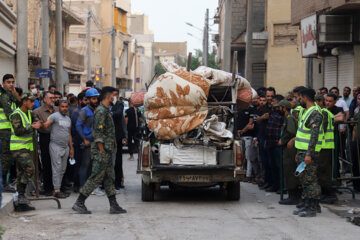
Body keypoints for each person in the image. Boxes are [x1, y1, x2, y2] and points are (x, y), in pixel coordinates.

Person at [72, 86, 127, 214]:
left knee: (109, 178)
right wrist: (101, 151)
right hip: (102, 151)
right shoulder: (101, 111)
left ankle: (113, 205)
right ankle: (79, 202)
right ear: (108, 96)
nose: (114, 97)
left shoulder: (105, 110)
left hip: (107, 150)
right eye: (113, 95)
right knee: (95, 177)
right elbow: (98, 133)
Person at [293, 88, 323, 217]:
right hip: (303, 151)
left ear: (305, 97)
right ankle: (309, 203)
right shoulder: (307, 111)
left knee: (310, 180)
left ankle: (312, 207)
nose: (298, 99)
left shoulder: (315, 113)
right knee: (305, 179)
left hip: (309, 152)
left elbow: (314, 136)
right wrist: (299, 152)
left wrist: (308, 154)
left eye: (299, 97)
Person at [10, 92, 42, 210]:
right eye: (31, 101)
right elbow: (18, 131)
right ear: (24, 102)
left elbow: (37, 120)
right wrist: (32, 127)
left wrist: (38, 123)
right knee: (30, 169)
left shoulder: (29, 113)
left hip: (26, 147)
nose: (33, 103)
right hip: (18, 148)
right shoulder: (16, 114)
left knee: (21, 172)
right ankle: (22, 195)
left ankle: (20, 201)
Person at [43, 100, 74, 198]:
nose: (64, 108)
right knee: (56, 169)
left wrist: (71, 149)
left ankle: (58, 189)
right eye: (62, 106)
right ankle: (56, 190)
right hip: (55, 146)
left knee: (62, 169)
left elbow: (69, 134)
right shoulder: (54, 116)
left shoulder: (68, 119)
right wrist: (40, 124)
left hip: (65, 147)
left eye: (66, 106)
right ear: (59, 107)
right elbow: (46, 124)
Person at [316, 94, 340, 204]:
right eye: (326, 100)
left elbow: (322, 129)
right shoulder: (326, 113)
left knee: (323, 171)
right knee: (322, 171)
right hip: (324, 145)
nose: (327, 103)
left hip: (325, 146)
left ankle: (330, 194)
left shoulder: (324, 113)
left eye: (329, 101)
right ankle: (326, 193)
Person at [33, 91, 58, 195]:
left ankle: (58, 187)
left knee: (57, 163)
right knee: (47, 162)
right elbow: (39, 125)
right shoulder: (37, 111)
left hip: (57, 138)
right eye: (50, 98)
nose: (53, 100)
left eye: (54, 98)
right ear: (44, 99)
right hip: (45, 138)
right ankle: (48, 188)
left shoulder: (57, 110)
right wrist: (44, 125)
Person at [277, 100, 301, 205]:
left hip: (290, 148)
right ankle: (293, 195)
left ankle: (293, 196)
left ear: (284, 108)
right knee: (288, 170)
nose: (278, 109)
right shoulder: (287, 118)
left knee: (290, 170)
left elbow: (291, 131)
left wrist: (284, 139)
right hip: (288, 147)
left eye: (280, 108)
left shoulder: (289, 118)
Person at [76, 88, 100, 190]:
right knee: (85, 164)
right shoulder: (84, 111)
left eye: (96, 99)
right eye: (93, 99)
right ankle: (82, 185)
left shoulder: (96, 110)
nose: (95, 101)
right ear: (88, 99)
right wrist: (84, 139)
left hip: (96, 141)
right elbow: (78, 125)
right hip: (88, 142)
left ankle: (90, 186)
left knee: (93, 165)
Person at [0, 74, 20, 193]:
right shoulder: (4, 97)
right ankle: (3, 184)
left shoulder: (9, 95)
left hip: (8, 132)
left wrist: (14, 92)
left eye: (13, 82)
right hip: (4, 132)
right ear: (3, 83)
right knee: (6, 159)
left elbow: (20, 102)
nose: (11, 84)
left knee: (7, 158)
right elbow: (11, 114)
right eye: (8, 82)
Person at [264, 95, 284, 193]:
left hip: (277, 144)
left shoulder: (282, 114)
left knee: (279, 166)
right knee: (272, 166)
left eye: (274, 101)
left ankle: (282, 186)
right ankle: (274, 185)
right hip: (270, 143)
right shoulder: (272, 113)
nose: (272, 103)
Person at [111, 89, 128, 190]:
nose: (114, 97)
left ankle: (117, 182)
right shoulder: (105, 105)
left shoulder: (119, 105)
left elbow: (118, 115)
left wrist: (125, 136)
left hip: (117, 137)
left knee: (118, 161)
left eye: (115, 95)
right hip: (108, 138)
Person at [71, 92, 87, 192]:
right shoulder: (77, 112)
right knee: (79, 164)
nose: (87, 102)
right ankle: (78, 185)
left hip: (83, 141)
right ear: (80, 101)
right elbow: (78, 128)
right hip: (78, 141)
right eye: (85, 100)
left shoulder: (84, 111)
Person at [237, 102, 256, 182]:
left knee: (249, 156)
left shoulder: (251, 109)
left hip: (248, 136)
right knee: (242, 157)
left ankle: (248, 175)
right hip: (240, 137)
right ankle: (243, 173)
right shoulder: (238, 108)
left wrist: (243, 131)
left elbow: (250, 122)